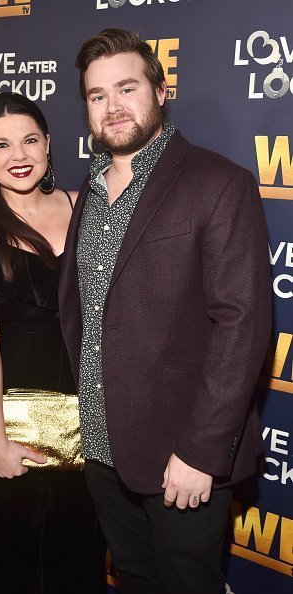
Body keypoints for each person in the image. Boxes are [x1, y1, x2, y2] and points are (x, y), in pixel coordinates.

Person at [59, 29, 272, 594]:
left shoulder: (218, 184)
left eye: (127, 88)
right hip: (103, 446)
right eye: (97, 95)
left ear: (160, 89)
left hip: (181, 452)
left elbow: (243, 325)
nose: (113, 107)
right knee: (134, 578)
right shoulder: (91, 189)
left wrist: (202, 451)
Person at [0, 92, 106, 594]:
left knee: (74, 556)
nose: (20, 154)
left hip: (85, 427)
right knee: (7, 564)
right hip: (14, 427)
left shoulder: (85, 205)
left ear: (49, 144)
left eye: (30, 139)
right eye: (2, 144)